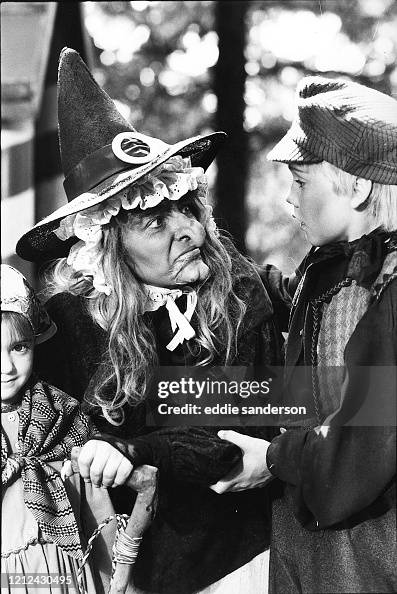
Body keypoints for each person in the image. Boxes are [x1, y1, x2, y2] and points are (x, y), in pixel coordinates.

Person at [16, 48, 283, 594]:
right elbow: (37, 420)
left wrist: (130, 446)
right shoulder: (69, 317)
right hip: (111, 567)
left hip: (239, 562)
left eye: (187, 207)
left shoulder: (239, 293)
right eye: (156, 220)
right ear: (107, 244)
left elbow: (226, 436)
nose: (188, 229)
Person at [211, 76, 397, 593]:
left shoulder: (391, 291)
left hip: (366, 559)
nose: (288, 198)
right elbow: (312, 386)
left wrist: (272, 458)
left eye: (300, 180)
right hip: (318, 554)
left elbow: (357, 448)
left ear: (358, 188)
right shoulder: (335, 270)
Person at [0, 264, 103, 594]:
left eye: (19, 347)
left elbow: (95, 506)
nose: (7, 368)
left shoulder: (60, 414)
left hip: (61, 566)